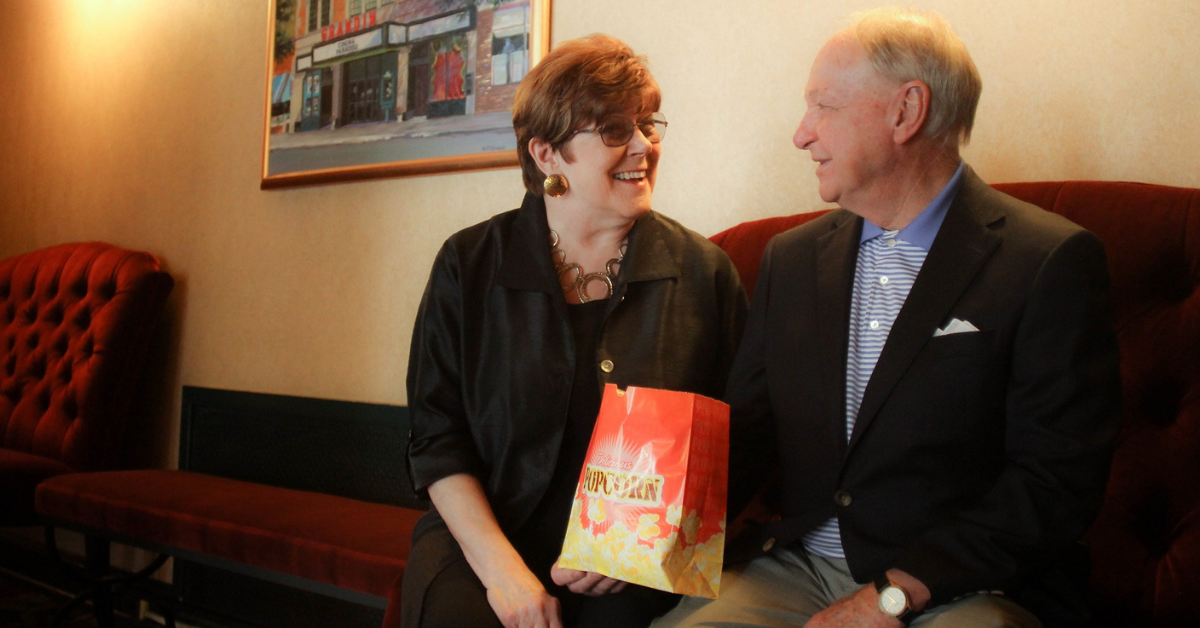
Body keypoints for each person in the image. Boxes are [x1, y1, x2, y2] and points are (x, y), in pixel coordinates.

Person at [654, 7, 1120, 628]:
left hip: (962, 585)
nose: (801, 133)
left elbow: (1055, 478)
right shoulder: (791, 260)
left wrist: (893, 594)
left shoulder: (1049, 261)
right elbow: (750, 433)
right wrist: (641, 539)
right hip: (797, 568)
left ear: (907, 111)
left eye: (824, 106)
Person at [402, 34, 748, 628]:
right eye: (614, 129)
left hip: (634, 559)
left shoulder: (704, 272)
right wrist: (504, 574)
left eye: (648, 124)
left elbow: (743, 435)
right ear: (547, 155)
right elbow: (437, 439)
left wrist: (643, 542)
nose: (644, 145)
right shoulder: (469, 264)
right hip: (483, 540)